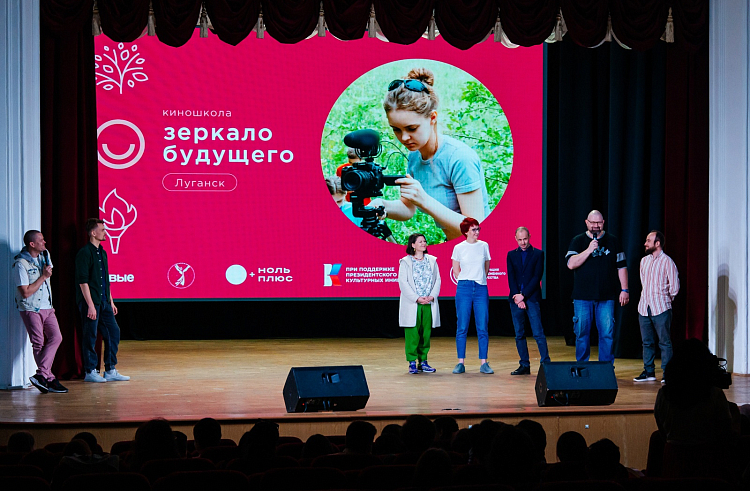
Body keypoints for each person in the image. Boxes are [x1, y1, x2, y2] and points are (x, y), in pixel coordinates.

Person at [371, 68, 489, 241]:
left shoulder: (459, 158)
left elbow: (475, 229)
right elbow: (407, 208)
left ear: (432, 117)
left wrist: (424, 200)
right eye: (396, 129)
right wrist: (381, 206)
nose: (403, 138)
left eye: (412, 128)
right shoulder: (414, 155)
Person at [565, 210, 629, 363]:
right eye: (592, 223)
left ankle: (606, 369)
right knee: (581, 334)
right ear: (586, 222)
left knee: (607, 334)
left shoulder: (613, 241)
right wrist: (588, 250)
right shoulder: (578, 241)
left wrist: (625, 289)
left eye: (598, 223)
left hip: (606, 297)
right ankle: (582, 367)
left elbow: (622, 267)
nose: (595, 226)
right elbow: (571, 264)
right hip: (582, 297)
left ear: (603, 223)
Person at [75, 218, 129, 382]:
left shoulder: (103, 252)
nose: (105, 232)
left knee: (113, 332)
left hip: (104, 301)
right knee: (90, 335)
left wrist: (111, 301)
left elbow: (105, 279)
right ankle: (90, 371)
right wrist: (90, 306)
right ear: (93, 232)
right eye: (102, 230)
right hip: (91, 302)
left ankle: (110, 369)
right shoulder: (84, 253)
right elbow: (82, 281)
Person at [13, 230, 67, 393]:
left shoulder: (45, 256)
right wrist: (43, 276)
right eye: (41, 240)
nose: (45, 243)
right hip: (31, 308)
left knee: (56, 337)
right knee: (38, 343)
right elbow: (25, 292)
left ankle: (42, 375)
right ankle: (49, 378)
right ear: (32, 244)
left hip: (47, 307)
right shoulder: (20, 264)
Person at [634, 230, 680, 382]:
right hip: (644, 306)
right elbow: (643, 283)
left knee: (664, 342)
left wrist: (665, 300)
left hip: (661, 307)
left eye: (648, 240)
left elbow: (674, 287)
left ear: (657, 243)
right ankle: (649, 372)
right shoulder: (644, 261)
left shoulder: (668, 261)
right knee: (647, 341)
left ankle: (668, 374)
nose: (645, 243)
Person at [506, 227, 549, 375]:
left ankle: (546, 363)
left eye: (525, 239)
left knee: (538, 332)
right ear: (515, 239)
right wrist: (517, 297)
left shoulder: (538, 254)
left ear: (529, 237)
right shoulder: (511, 255)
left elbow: (537, 277)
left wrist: (523, 295)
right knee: (519, 333)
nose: (523, 242)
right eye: (520, 240)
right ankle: (524, 364)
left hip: (531, 297)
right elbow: (511, 278)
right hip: (516, 299)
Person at [452, 217, 492, 374]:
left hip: (481, 288)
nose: (477, 232)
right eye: (474, 229)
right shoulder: (458, 247)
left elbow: (487, 266)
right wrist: (467, 280)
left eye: (478, 229)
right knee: (462, 326)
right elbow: (456, 269)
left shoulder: (484, 246)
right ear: (466, 231)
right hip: (464, 287)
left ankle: (484, 362)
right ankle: (460, 362)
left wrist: (480, 278)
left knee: (482, 325)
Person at [398, 233, 441, 374]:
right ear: (413, 245)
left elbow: (437, 280)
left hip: (428, 302)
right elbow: (403, 283)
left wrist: (432, 296)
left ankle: (423, 362)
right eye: (420, 241)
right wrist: (416, 298)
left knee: (425, 334)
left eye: (424, 241)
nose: (423, 243)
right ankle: (412, 362)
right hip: (413, 303)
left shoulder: (432, 260)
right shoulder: (405, 262)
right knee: (412, 333)